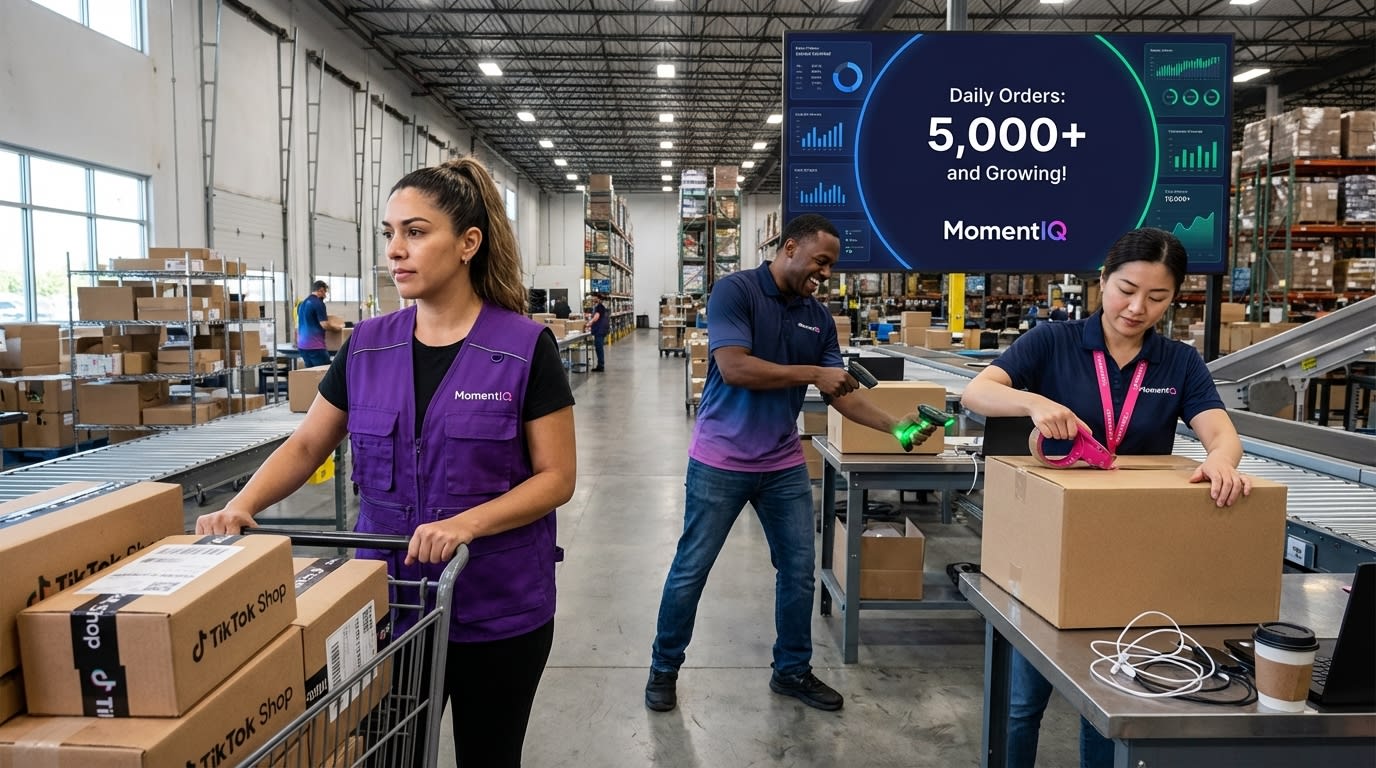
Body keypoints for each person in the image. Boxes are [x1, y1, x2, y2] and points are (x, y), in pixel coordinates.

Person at [197, 156, 576, 768]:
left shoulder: (524, 347)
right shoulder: (368, 345)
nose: (396, 250)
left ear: (467, 244)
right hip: (389, 601)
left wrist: (466, 524)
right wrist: (240, 506)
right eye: (389, 233)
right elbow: (305, 445)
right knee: (385, 754)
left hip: (498, 605)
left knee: (490, 755)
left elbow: (558, 477)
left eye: (416, 232)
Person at [960, 227, 1251, 768]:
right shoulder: (1053, 341)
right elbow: (977, 391)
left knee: (1113, 701)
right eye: (1126, 289)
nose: (1137, 307)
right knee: (1024, 702)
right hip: (1047, 552)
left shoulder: (1179, 363)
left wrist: (1220, 460)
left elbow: (1221, 433)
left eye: (1157, 297)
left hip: (1133, 555)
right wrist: (1031, 403)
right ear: (1102, 280)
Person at [646, 214, 916, 714]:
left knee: (797, 571)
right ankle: (663, 667)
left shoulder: (818, 317)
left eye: (832, 265)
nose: (826, 273)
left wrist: (895, 428)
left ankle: (791, 670)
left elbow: (840, 391)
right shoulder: (735, 291)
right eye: (821, 261)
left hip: (782, 462)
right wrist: (812, 370)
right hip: (720, 460)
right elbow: (734, 366)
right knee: (692, 569)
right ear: (790, 247)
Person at [296, 280, 343, 368]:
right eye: (325, 292)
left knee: (312, 375)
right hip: (315, 346)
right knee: (325, 374)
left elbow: (307, 321)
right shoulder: (318, 303)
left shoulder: (301, 304)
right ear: (321, 290)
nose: (325, 295)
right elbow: (324, 324)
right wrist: (336, 329)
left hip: (302, 346)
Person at [588, 292, 609, 371]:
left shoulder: (599, 306)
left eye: (593, 297)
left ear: (598, 298)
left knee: (599, 348)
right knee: (598, 348)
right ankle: (600, 365)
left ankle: (600, 366)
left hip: (599, 331)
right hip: (600, 330)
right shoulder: (598, 306)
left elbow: (596, 317)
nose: (592, 298)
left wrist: (590, 323)